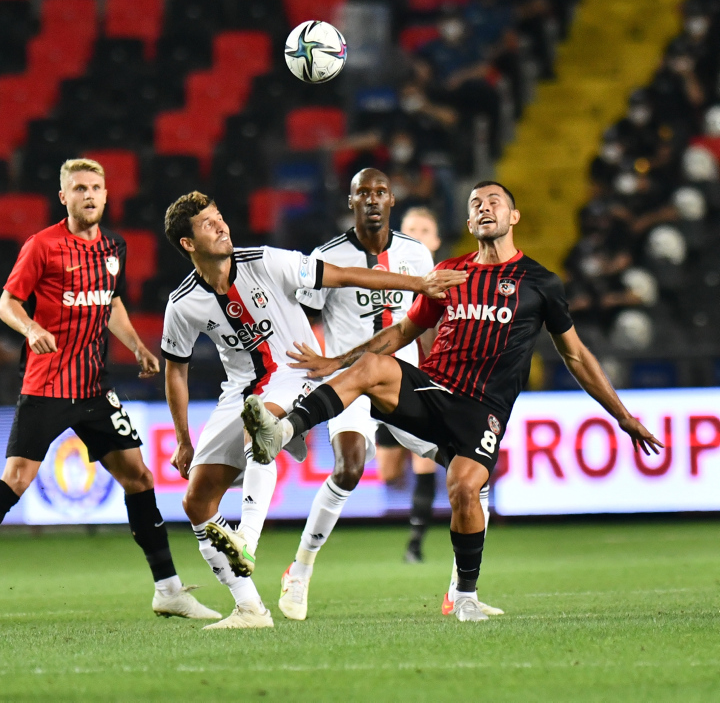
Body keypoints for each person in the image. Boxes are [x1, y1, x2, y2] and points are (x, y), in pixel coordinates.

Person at [243, 181, 663, 623]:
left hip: (482, 409)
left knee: (466, 488)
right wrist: (336, 361)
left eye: (494, 202)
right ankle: (284, 430)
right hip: (432, 390)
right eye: (476, 204)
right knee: (370, 366)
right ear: (468, 222)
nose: (485, 208)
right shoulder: (450, 273)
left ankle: (463, 594)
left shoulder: (540, 282)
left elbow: (575, 354)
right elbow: (403, 333)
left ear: (513, 217)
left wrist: (623, 416)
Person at [0, 158, 221, 628]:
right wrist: (30, 327)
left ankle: (168, 590)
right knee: (17, 480)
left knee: (139, 478)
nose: (89, 194)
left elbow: (113, 301)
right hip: (46, 384)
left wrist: (139, 347)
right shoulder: (41, 246)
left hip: (93, 387)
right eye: (79, 187)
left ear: (106, 195)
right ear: (63, 196)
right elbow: (7, 302)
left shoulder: (113, 246)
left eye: (96, 187)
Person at [160, 190, 465, 630]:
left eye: (219, 216)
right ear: (188, 243)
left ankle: (246, 537)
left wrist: (418, 284)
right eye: (208, 224)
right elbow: (176, 372)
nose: (221, 225)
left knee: (259, 425)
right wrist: (184, 439)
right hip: (239, 390)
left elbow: (341, 275)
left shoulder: (265, 261)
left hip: (296, 371)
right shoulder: (183, 303)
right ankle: (249, 609)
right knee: (196, 500)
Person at [375, 207, 445, 564]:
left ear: (435, 240)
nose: (417, 234)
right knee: (388, 472)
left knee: (423, 460)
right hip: (384, 380)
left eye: (425, 228)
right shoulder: (385, 277)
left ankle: (415, 543)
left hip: (423, 382)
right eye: (410, 228)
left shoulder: (445, 280)